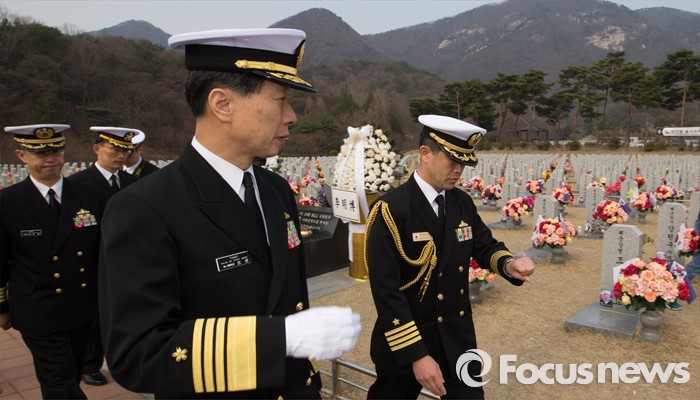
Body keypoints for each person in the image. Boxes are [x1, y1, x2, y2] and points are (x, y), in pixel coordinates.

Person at [98, 28, 361, 399]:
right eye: (281, 100)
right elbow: (138, 353)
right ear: (222, 104)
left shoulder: (275, 190)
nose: (291, 116)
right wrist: (281, 338)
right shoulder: (144, 207)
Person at [364, 115, 535, 399]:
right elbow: (386, 291)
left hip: (456, 337)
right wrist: (417, 355)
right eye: (453, 160)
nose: (459, 170)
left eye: (464, 163)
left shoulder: (461, 202)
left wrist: (508, 263)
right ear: (425, 153)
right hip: (408, 339)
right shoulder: (391, 209)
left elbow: (484, 245)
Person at [0, 124, 105, 399]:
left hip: (81, 302)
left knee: (72, 371)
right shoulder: (7, 202)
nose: (51, 159)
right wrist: (2, 306)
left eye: (56, 151)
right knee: (59, 379)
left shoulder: (90, 195)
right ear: (22, 155)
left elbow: (103, 250)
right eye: (41, 153)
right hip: (37, 307)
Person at [68, 126, 140, 386]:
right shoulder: (78, 183)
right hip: (92, 258)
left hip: (127, 257)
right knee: (94, 316)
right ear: (97, 149)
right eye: (115, 149)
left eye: (125, 150)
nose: (121, 155)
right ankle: (90, 364)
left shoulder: (132, 183)